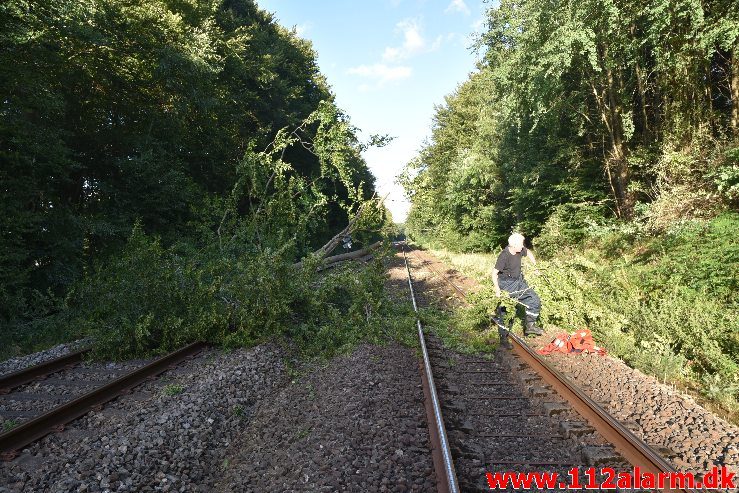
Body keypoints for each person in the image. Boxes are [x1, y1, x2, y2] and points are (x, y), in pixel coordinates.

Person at [492, 233, 544, 337]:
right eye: (521, 244)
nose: (523, 246)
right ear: (514, 245)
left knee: (534, 300)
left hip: (519, 281)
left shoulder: (519, 250)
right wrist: (497, 289)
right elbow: (494, 273)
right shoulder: (504, 255)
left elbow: (528, 252)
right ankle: (504, 340)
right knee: (507, 313)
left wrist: (535, 267)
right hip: (507, 284)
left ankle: (530, 326)